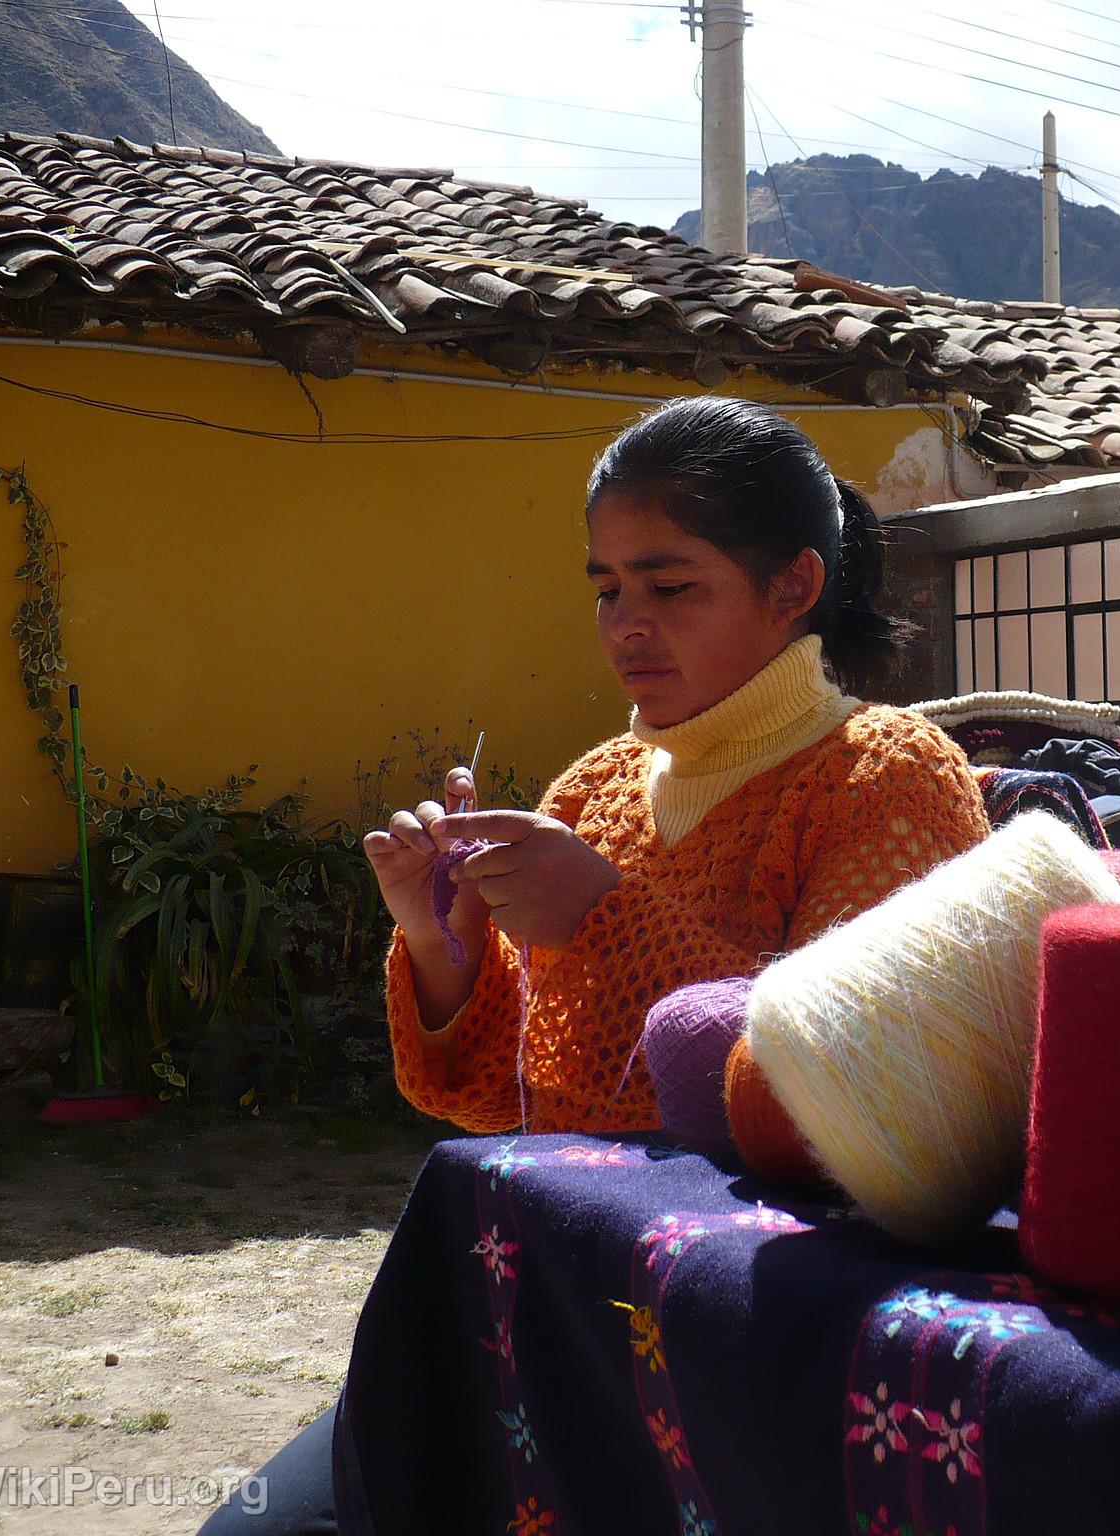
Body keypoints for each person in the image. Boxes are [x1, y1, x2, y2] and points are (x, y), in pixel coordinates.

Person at [199, 395, 988, 1535]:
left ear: (794, 586)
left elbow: (860, 1096)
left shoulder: (888, 778)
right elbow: (497, 1094)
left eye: (671, 587)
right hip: (558, 1288)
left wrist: (608, 917)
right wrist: (440, 944)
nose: (628, 625)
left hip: (755, 1317)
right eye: (607, 589)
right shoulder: (592, 788)